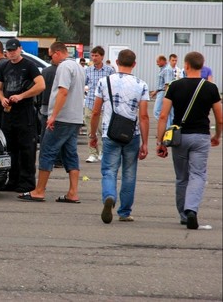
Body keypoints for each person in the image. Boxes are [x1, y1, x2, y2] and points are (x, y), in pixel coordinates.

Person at [156, 51, 222, 230]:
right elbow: (220, 117)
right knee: (198, 174)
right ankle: (192, 209)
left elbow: (163, 116)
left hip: (179, 137)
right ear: (202, 66)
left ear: (185, 66)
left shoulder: (175, 86)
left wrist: (160, 141)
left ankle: (184, 215)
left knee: (181, 177)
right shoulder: (211, 88)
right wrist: (217, 135)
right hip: (200, 137)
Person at [18, 41, 85, 203]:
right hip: (75, 117)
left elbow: (63, 91)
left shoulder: (63, 67)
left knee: (47, 151)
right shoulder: (79, 68)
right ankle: (73, 192)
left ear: (57, 53)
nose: (50, 59)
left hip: (62, 117)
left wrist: (53, 115)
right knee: (70, 154)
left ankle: (39, 191)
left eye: (50, 55)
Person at [89, 49, 149, 224]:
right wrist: (145, 143)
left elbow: (95, 112)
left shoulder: (104, 81)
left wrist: (93, 134)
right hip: (132, 135)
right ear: (134, 64)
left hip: (110, 133)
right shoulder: (141, 85)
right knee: (129, 174)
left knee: (109, 170)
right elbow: (144, 117)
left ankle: (109, 196)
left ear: (116, 62)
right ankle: (125, 212)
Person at [0, 38, 45, 193]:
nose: (11, 53)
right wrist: (2, 99)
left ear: (20, 49)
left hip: (25, 113)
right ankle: (13, 180)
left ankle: (27, 182)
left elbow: (41, 85)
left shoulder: (29, 66)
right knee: (10, 149)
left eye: (14, 50)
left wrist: (22, 96)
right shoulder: (4, 66)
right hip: (9, 113)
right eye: (9, 51)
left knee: (26, 149)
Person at [84, 46, 116, 163]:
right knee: (90, 130)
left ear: (102, 56)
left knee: (103, 130)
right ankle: (93, 153)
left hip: (104, 105)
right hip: (90, 102)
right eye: (92, 55)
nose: (94, 58)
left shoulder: (109, 70)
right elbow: (84, 84)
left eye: (96, 55)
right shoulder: (88, 70)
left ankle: (103, 152)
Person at [151, 55, 174, 127]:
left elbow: (167, 84)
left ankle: (166, 129)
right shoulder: (164, 69)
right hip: (161, 91)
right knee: (169, 114)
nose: (157, 63)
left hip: (163, 93)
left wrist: (166, 96)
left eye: (158, 62)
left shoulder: (166, 70)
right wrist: (156, 91)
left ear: (163, 61)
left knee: (157, 112)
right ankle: (169, 130)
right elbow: (162, 83)